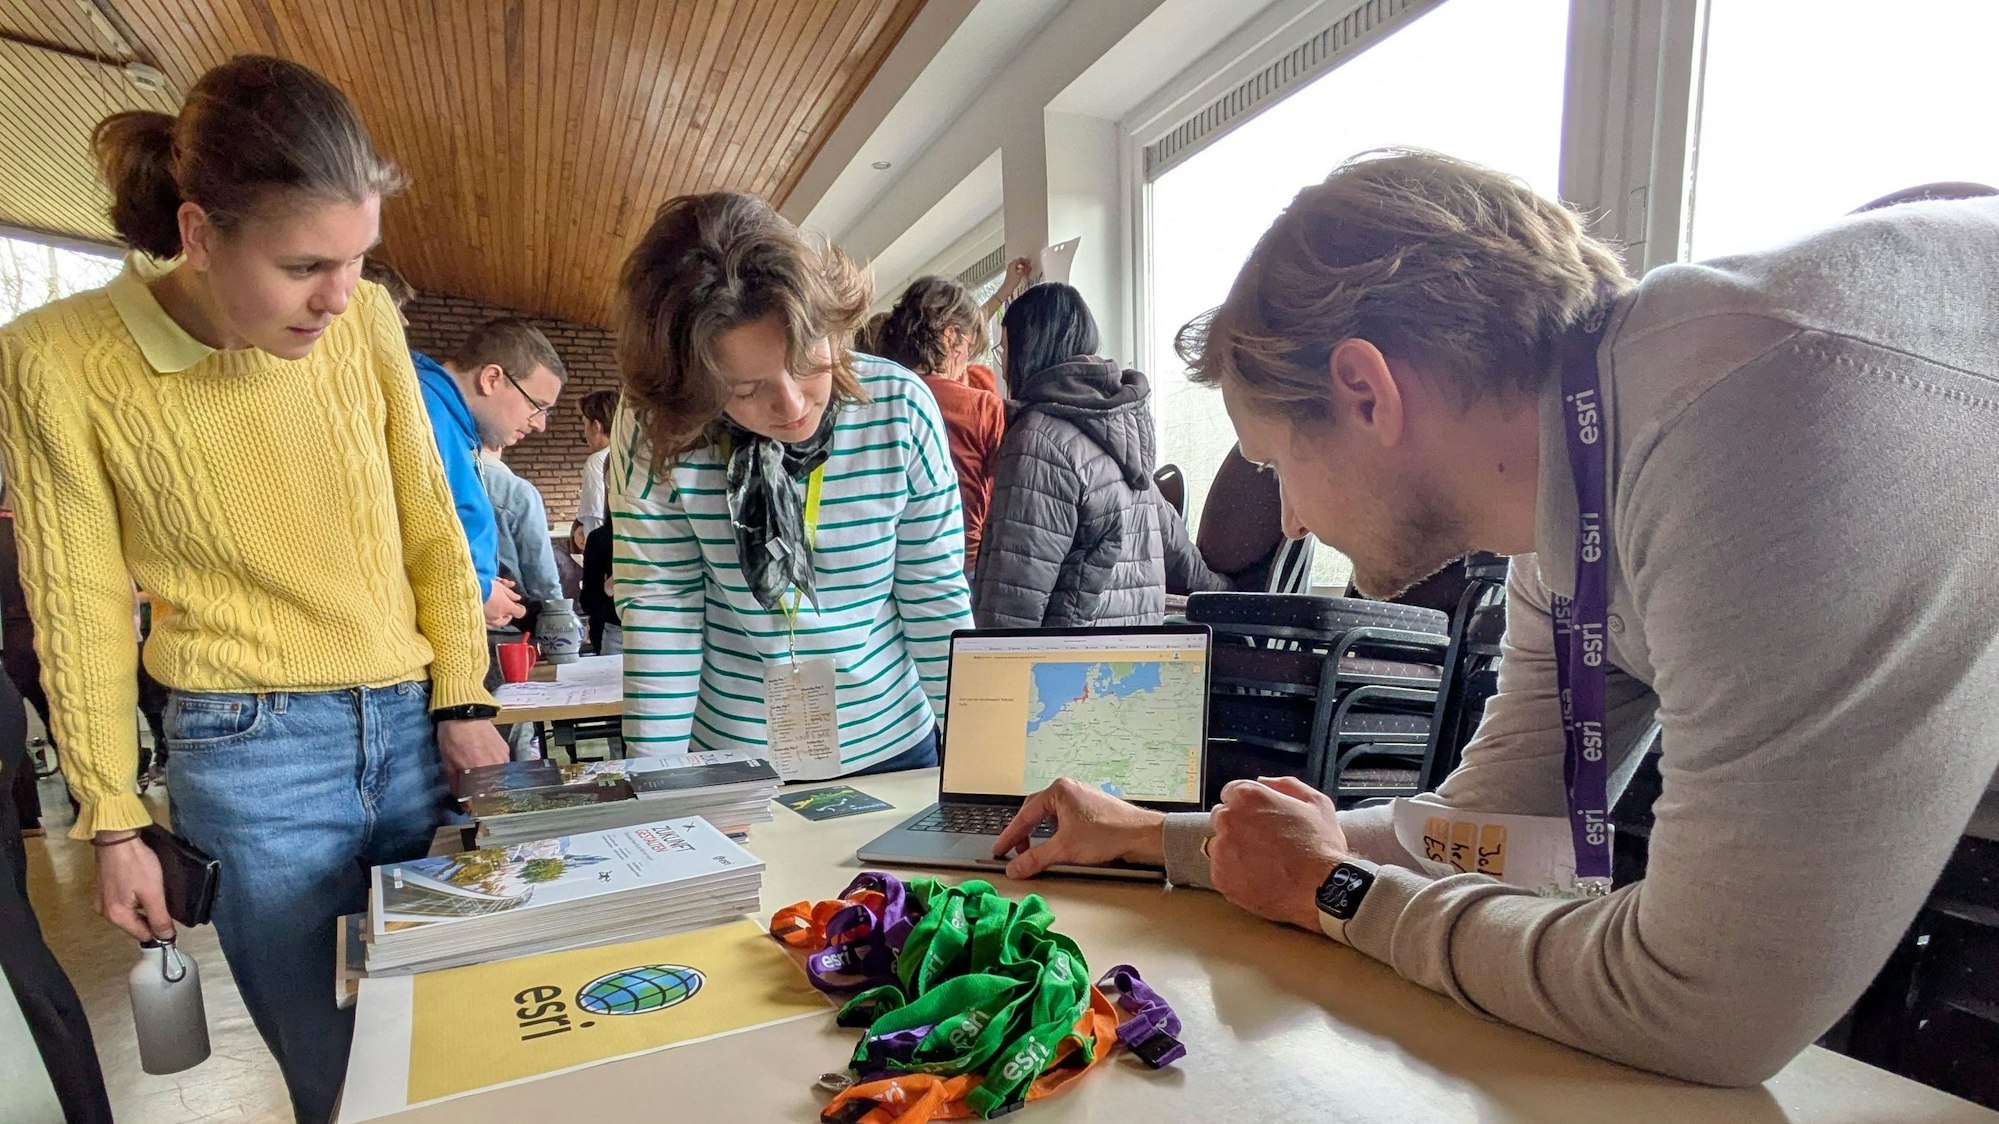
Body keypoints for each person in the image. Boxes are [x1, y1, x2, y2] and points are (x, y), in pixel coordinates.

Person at [992, 149, 1999, 1088]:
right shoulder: (1575, 495)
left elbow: (1707, 1004)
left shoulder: (1751, 428)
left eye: (1275, 463)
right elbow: (1492, 831)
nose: (1289, 516)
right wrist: (1152, 836)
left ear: (1365, 390)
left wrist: (1333, 893)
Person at [0, 55, 509, 1122]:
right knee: (341, 1077)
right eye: (304, 264)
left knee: (467, 1041)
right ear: (197, 231)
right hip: (252, 753)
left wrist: (463, 693)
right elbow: (81, 600)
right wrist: (111, 815)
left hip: (416, 728)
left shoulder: (367, 322)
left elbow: (429, 518)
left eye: (359, 257)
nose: (339, 294)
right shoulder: (58, 356)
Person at [612, 192, 973, 776]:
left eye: (807, 358)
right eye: (745, 389)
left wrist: (977, 763)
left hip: (891, 745)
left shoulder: (901, 407)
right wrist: (657, 781)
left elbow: (933, 595)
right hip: (734, 755)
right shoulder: (661, 430)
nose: (791, 403)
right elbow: (664, 604)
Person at [971, 282, 1222, 628]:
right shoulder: (1122, 428)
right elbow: (1175, 544)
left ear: (1031, 348)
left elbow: (1014, 595)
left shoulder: (1037, 440)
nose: (1002, 368)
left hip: (1067, 670)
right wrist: (1233, 594)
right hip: (1132, 660)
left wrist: (989, 674)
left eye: (1005, 350)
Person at [413, 317, 566, 632]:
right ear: (492, 378)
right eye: (537, 405)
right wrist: (478, 589)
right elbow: (409, 532)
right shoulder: (425, 414)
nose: (541, 425)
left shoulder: (451, 421)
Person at [878, 276, 1005, 572]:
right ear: (950, 337)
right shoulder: (982, 408)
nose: (966, 363)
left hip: (889, 561)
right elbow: (1009, 493)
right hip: (959, 561)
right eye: (969, 348)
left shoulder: (876, 397)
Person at [568, 388, 620, 553]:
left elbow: (596, 520)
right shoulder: (632, 457)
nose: (585, 432)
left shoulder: (598, 461)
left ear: (596, 426)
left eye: (584, 423)